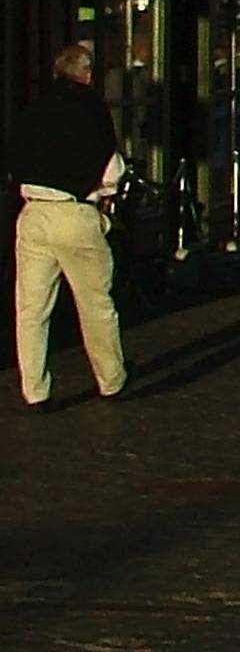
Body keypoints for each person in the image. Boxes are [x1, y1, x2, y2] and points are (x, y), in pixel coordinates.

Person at [10, 43, 126, 405]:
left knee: (31, 308)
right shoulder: (92, 111)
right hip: (74, 212)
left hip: (33, 211)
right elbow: (112, 171)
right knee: (94, 303)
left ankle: (34, 390)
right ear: (87, 73)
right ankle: (111, 380)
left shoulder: (34, 109)